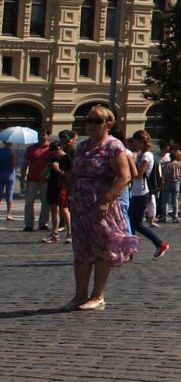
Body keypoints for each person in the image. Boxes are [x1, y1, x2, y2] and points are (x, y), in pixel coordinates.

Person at [62, 108, 141, 310]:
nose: (90, 124)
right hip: (80, 204)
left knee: (101, 248)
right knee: (81, 248)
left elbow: (125, 176)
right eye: (88, 120)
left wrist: (106, 200)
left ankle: (97, 296)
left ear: (108, 124)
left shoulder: (113, 146)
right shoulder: (82, 146)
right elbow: (76, 172)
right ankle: (80, 295)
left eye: (96, 120)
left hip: (100, 204)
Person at [123, 130, 168, 258]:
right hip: (137, 192)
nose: (134, 144)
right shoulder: (143, 155)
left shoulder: (146, 156)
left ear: (141, 142)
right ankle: (130, 249)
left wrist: (130, 163)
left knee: (136, 223)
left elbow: (138, 175)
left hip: (141, 192)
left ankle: (159, 243)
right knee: (131, 222)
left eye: (136, 142)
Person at [22, 136, 55, 230]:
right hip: (32, 179)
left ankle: (43, 224)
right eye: (39, 135)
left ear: (48, 135)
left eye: (43, 134)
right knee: (29, 202)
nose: (41, 137)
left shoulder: (51, 148)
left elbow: (54, 162)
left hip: (46, 180)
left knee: (46, 203)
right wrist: (22, 177)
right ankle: (28, 224)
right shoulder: (31, 148)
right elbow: (25, 163)